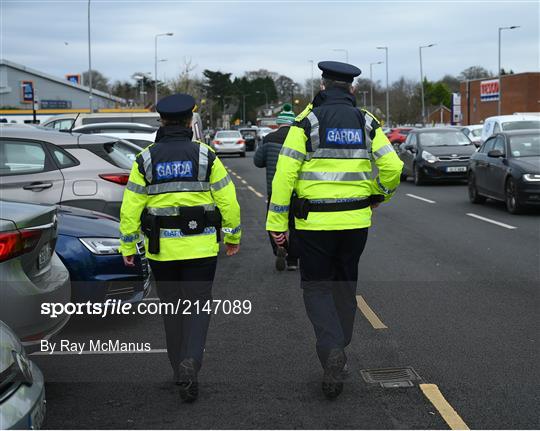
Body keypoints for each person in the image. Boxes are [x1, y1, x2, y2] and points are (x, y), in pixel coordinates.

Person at [266, 61, 403, 399]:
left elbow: (284, 176)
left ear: (323, 86)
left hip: (314, 225)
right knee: (345, 285)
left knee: (316, 288)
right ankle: (340, 345)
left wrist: (276, 224)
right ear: (352, 89)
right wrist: (379, 195)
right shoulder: (367, 121)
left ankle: (331, 350)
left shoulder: (306, 123)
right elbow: (393, 166)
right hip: (355, 223)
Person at [119, 93, 241, 403]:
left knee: (172, 310)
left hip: (162, 252)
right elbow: (228, 199)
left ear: (161, 121)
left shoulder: (145, 158)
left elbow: (131, 205)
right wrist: (233, 236)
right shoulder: (206, 155)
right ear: (190, 121)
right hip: (200, 249)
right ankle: (192, 362)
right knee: (198, 307)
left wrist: (128, 244)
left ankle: (178, 370)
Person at [254, 104, 299, 271]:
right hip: (296, 192)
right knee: (296, 225)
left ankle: (281, 248)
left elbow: (257, 162)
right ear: (293, 122)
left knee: (274, 224)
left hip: (275, 191)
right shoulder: (299, 138)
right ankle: (293, 260)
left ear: (278, 123)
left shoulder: (269, 138)